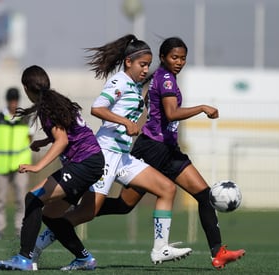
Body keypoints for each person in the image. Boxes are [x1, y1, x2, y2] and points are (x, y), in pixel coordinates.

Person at [31, 34, 192, 268]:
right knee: (86, 213)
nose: (146, 69)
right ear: (129, 62)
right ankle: (35, 249)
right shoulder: (119, 82)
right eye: (142, 64)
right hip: (105, 154)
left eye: (148, 65)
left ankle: (160, 249)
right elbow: (97, 108)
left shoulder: (135, 86)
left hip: (124, 157)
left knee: (167, 189)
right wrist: (125, 123)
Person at [96, 37, 246, 270]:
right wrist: (202, 108)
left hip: (169, 150)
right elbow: (172, 113)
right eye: (174, 57)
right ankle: (77, 213)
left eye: (183, 58)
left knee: (205, 196)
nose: (179, 62)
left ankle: (218, 252)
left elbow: (154, 107)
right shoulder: (165, 78)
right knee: (124, 205)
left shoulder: (165, 78)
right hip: (152, 148)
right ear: (163, 58)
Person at [0, 65, 105, 271]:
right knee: (51, 215)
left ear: (26, 88)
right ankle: (84, 259)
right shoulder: (55, 100)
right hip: (93, 162)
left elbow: (61, 140)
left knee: (33, 198)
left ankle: (24, 258)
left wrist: (38, 166)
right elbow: (69, 131)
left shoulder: (46, 107)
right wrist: (45, 141)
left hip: (84, 163)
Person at [0, 87, 33, 240]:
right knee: (0, 199)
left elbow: (30, 139)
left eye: (15, 100)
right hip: (1, 165)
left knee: (21, 199)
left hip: (21, 165)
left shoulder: (25, 118)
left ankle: (20, 230)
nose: (13, 104)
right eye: (11, 100)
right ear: (7, 101)